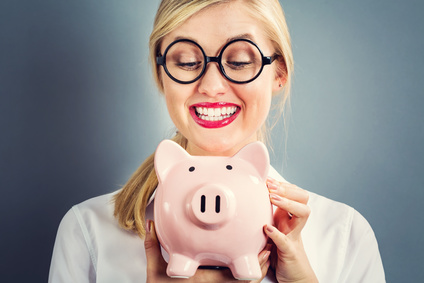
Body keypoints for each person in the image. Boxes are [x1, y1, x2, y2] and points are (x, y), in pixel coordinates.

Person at [48, 0, 386, 282]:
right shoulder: (87, 231)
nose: (211, 86)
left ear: (279, 72)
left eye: (239, 62)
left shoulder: (343, 236)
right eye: (187, 62)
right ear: (161, 73)